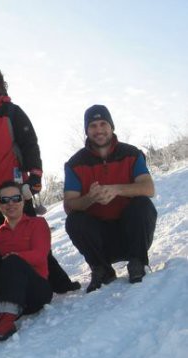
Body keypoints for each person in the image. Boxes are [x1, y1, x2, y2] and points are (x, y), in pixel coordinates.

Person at [0, 64, 79, 294]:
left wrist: (35, 175)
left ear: (0, 84)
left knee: (32, 236)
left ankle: (56, 281)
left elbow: (30, 144)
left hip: (15, 190)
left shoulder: (13, 112)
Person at [64, 105, 157, 292]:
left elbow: (149, 188)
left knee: (142, 204)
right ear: (87, 130)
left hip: (132, 233)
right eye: (93, 126)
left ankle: (137, 261)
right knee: (74, 220)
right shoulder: (75, 164)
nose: (99, 130)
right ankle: (102, 269)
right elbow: (69, 204)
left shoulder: (131, 154)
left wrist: (116, 189)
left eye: (103, 124)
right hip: (100, 240)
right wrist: (90, 198)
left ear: (111, 126)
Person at [0, 181, 53, 341]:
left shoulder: (37, 223)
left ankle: (5, 321)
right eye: (5, 200)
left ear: (23, 200)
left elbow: (40, 255)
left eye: (16, 198)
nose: (11, 203)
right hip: (7, 291)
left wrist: (14, 257)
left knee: (13, 260)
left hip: (35, 292)